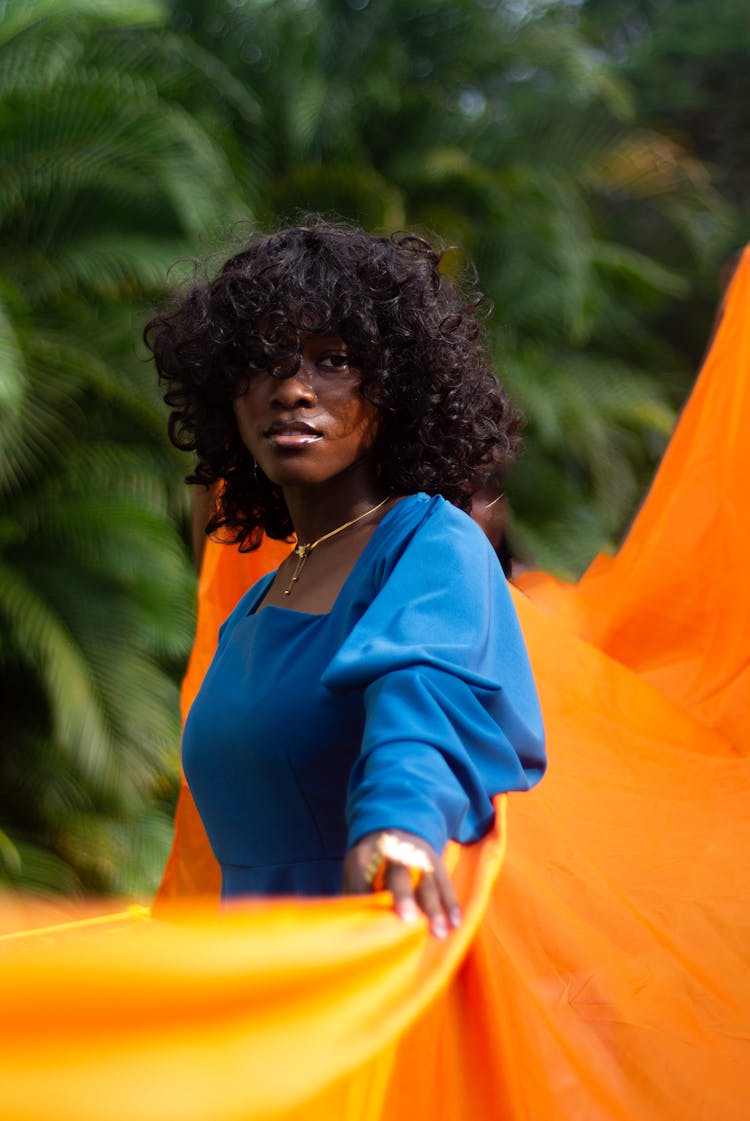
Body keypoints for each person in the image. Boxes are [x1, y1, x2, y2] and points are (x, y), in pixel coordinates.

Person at [145, 219, 545, 939]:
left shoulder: (430, 541)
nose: (292, 389)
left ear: (395, 387)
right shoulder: (258, 602)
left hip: (358, 989)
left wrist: (401, 824)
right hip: (250, 1004)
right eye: (264, 360)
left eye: (333, 360)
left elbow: (427, 695)